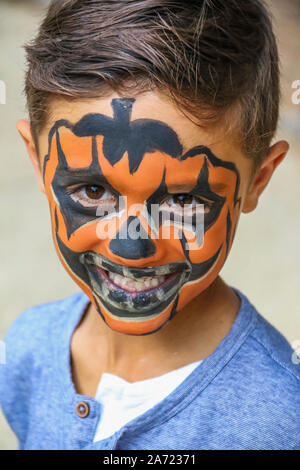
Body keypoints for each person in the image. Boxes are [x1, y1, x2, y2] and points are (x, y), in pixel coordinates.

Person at [0, 0, 299, 451]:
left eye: (181, 200)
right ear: (38, 160)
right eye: (93, 192)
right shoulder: (27, 351)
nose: (130, 247)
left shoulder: (281, 421)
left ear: (258, 180)